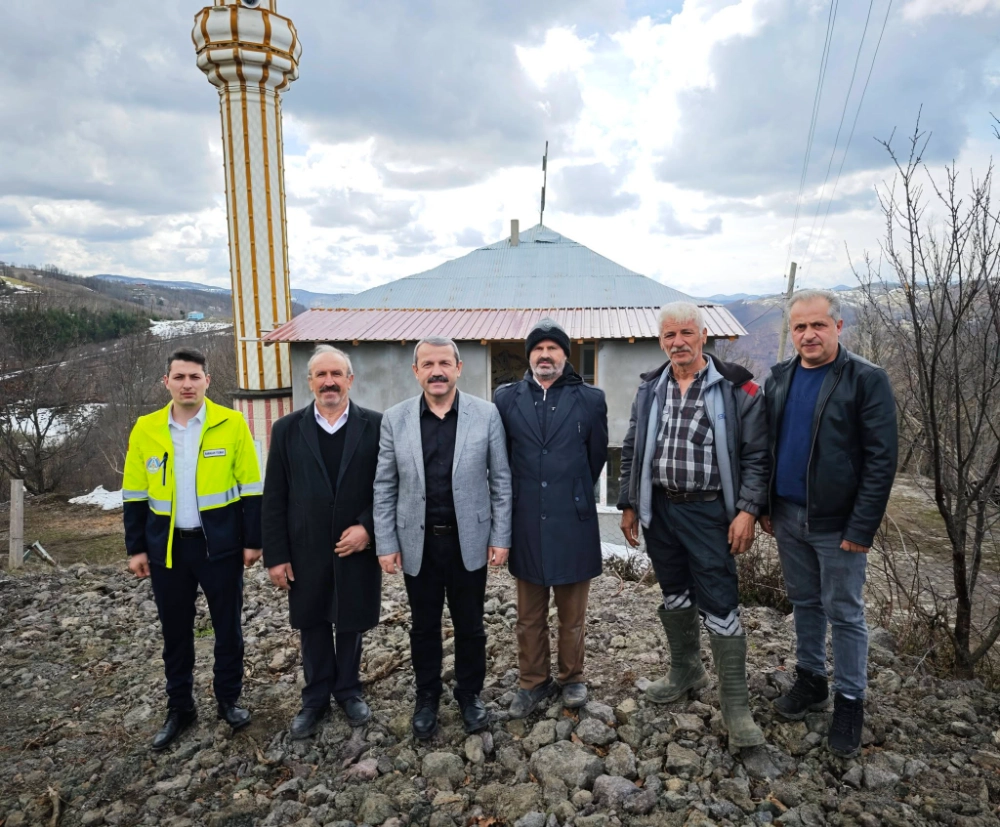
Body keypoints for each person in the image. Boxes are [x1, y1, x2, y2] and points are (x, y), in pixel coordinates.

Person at [618, 302, 768, 754]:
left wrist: (747, 510)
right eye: (670, 335)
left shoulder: (737, 389)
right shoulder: (651, 388)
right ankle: (686, 670)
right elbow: (632, 448)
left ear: (703, 336)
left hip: (709, 512)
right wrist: (629, 503)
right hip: (660, 508)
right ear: (660, 341)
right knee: (673, 590)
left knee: (719, 596)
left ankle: (736, 707)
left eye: (686, 333)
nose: (678, 342)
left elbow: (757, 456)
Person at [762, 289, 897, 759]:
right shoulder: (780, 377)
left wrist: (862, 528)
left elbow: (881, 460)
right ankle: (811, 679)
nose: (808, 334)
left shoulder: (865, 379)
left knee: (845, 612)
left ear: (838, 326)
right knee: (804, 602)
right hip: (788, 514)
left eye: (818, 325)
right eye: (799, 327)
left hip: (838, 523)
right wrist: (765, 506)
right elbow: (768, 447)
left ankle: (850, 701)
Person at [123, 348, 262, 750]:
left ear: (207, 381)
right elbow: (134, 493)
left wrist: (253, 541)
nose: (187, 384)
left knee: (228, 629)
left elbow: (252, 487)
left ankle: (228, 700)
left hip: (219, 547)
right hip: (167, 550)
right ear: (166, 381)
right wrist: (136, 548)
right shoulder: (146, 428)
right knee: (175, 632)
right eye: (179, 377)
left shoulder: (231, 423)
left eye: (194, 377)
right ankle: (180, 708)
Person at [374, 336, 512, 739]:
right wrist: (386, 542)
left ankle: (469, 695)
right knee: (423, 626)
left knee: (470, 625)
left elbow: (501, 480)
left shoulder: (485, 414)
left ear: (458, 368)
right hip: (418, 543)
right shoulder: (395, 419)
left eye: (444, 364)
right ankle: (427, 696)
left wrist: (501, 535)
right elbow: (384, 485)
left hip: (469, 539)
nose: (437, 372)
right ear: (416, 371)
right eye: (428, 364)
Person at [262, 345, 383, 739]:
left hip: (355, 546)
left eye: (336, 374)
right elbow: (274, 496)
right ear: (310, 381)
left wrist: (367, 528)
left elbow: (388, 487)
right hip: (305, 547)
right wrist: (276, 555)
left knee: (350, 620)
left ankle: (348, 690)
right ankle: (314, 698)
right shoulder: (287, 429)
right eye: (321, 375)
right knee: (312, 621)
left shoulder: (376, 426)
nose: (329, 382)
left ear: (350, 379)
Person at [493, 318, 608, 717]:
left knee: (572, 614)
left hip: (572, 519)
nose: (545, 355)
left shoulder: (590, 399)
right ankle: (532, 681)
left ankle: (572, 677)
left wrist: (572, 491)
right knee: (528, 615)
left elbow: (595, 458)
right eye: (538, 349)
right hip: (525, 519)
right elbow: (502, 458)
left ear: (564, 355)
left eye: (552, 348)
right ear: (529, 356)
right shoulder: (506, 398)